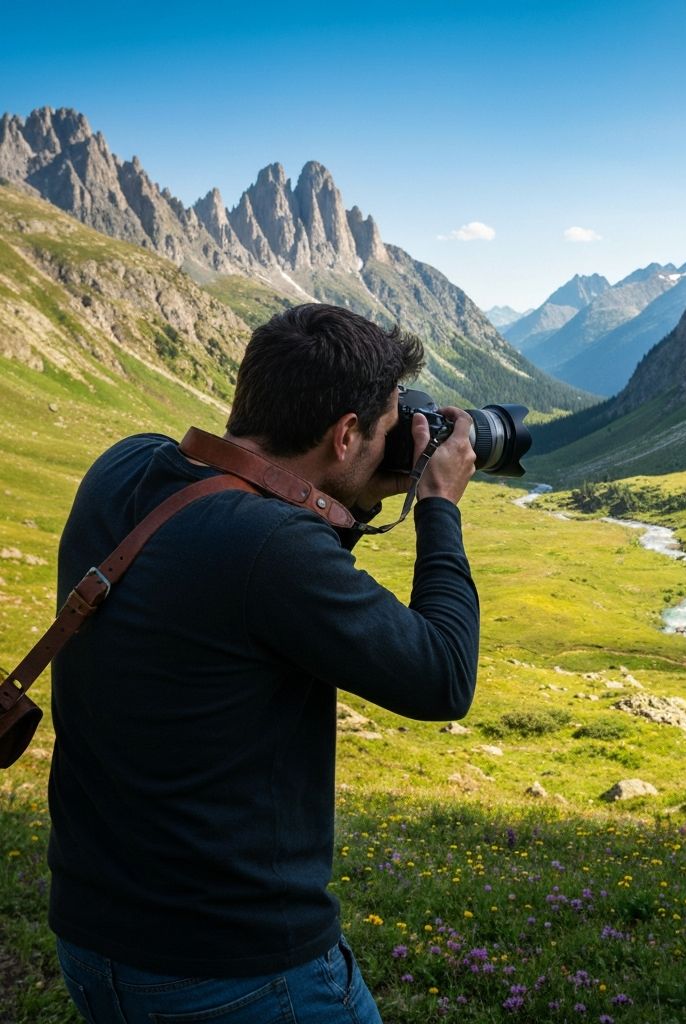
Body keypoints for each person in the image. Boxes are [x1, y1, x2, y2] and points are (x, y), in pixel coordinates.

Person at [47, 303, 480, 1023]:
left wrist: (349, 494)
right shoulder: (270, 548)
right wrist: (436, 504)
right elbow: (443, 676)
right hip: (237, 970)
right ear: (344, 435)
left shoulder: (122, 467)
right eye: (381, 431)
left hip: (96, 944)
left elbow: (251, 572)